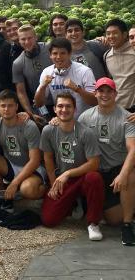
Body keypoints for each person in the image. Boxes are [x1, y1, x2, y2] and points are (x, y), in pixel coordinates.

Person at [78, 77, 135, 245]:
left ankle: (127, 225)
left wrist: (123, 174)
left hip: (117, 168)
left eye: (109, 91)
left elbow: (133, 148)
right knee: (112, 219)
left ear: (115, 94)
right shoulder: (85, 117)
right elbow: (71, 131)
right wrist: (56, 120)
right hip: (97, 171)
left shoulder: (127, 117)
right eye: (101, 91)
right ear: (95, 93)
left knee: (130, 175)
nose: (105, 94)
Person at [40, 93, 104, 241]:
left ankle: (93, 223)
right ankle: (74, 204)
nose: (64, 109)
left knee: (94, 177)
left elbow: (94, 163)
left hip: (82, 177)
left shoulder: (85, 132)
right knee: (49, 220)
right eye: (60, 106)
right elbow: (48, 158)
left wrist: (68, 173)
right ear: (54, 109)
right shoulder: (48, 130)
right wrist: (52, 184)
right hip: (63, 179)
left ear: (75, 109)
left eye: (68, 106)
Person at [0, 90, 46, 211]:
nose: (6, 109)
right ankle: (5, 198)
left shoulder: (28, 126)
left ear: (16, 107)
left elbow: (35, 160)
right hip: (12, 165)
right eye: (3, 105)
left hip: (33, 168)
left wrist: (14, 183)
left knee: (27, 189)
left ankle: (47, 190)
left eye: (10, 105)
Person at [34, 37, 97, 116]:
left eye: (62, 53)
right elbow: (39, 104)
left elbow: (95, 101)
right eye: (55, 53)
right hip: (62, 121)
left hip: (84, 120)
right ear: (50, 55)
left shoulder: (84, 71)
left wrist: (77, 89)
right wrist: (43, 86)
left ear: (70, 54)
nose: (58, 57)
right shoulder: (47, 72)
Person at [12, 25, 52, 122]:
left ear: (36, 37)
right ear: (19, 41)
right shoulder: (18, 63)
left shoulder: (50, 48)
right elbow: (21, 92)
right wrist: (31, 114)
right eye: (23, 39)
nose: (27, 42)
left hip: (61, 99)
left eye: (30, 38)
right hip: (41, 105)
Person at [104, 19, 135, 110]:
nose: (111, 36)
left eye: (115, 33)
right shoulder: (107, 56)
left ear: (125, 34)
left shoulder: (133, 51)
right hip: (116, 109)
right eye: (108, 33)